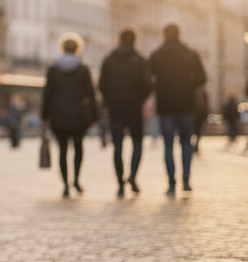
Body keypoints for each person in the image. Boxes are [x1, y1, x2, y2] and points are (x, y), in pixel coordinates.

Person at [149, 23, 207, 195]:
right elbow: (203, 78)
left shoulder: (156, 55)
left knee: (167, 144)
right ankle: (186, 180)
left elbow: (148, 79)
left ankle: (171, 182)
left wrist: (160, 87)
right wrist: (189, 85)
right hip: (186, 104)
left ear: (164, 35)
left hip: (166, 105)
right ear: (179, 34)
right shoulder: (190, 54)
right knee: (186, 143)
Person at [42, 34, 97, 198]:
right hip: (78, 114)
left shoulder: (53, 68)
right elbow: (90, 93)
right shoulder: (83, 68)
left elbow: (48, 94)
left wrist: (45, 116)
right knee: (79, 148)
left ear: (62, 48)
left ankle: (65, 184)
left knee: (62, 150)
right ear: (77, 48)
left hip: (58, 114)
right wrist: (94, 115)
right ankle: (77, 180)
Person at [98, 27, 152, 197]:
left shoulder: (109, 59)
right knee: (137, 144)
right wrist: (140, 99)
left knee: (118, 146)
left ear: (120, 39)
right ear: (134, 40)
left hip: (115, 109)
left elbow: (102, 84)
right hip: (134, 108)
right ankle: (133, 177)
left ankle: (120, 182)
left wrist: (109, 100)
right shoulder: (140, 60)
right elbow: (147, 85)